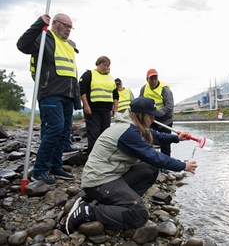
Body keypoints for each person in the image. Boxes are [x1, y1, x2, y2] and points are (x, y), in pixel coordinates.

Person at [65, 97, 197, 234]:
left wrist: (176, 138)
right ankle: (86, 211)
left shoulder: (133, 126)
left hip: (111, 176)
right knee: (139, 215)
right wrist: (182, 165)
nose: (153, 120)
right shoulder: (128, 132)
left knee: (150, 168)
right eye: (151, 117)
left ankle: (121, 203)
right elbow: (154, 156)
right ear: (141, 116)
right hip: (99, 181)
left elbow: (155, 136)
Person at [17, 13, 81, 185]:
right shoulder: (44, 37)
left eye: (70, 27)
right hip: (50, 92)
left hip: (67, 95)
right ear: (55, 23)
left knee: (64, 132)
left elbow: (72, 73)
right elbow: (23, 45)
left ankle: (55, 166)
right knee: (55, 129)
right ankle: (40, 170)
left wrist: (76, 98)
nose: (68, 30)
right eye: (66, 25)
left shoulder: (68, 45)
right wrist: (39, 24)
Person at [79, 56, 119, 154]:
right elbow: (82, 90)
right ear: (98, 64)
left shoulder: (110, 78)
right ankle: (92, 156)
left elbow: (115, 95)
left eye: (108, 66)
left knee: (105, 134)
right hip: (93, 110)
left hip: (106, 111)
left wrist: (115, 109)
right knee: (93, 134)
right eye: (104, 65)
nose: (106, 67)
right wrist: (86, 105)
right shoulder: (89, 74)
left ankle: (103, 155)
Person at [139, 69, 174, 156]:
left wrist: (157, 113)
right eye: (151, 79)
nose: (154, 81)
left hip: (165, 120)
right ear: (147, 79)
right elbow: (141, 102)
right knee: (148, 140)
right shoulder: (143, 89)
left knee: (165, 143)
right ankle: (151, 162)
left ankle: (166, 165)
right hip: (151, 121)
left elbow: (169, 106)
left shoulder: (164, 89)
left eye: (155, 78)